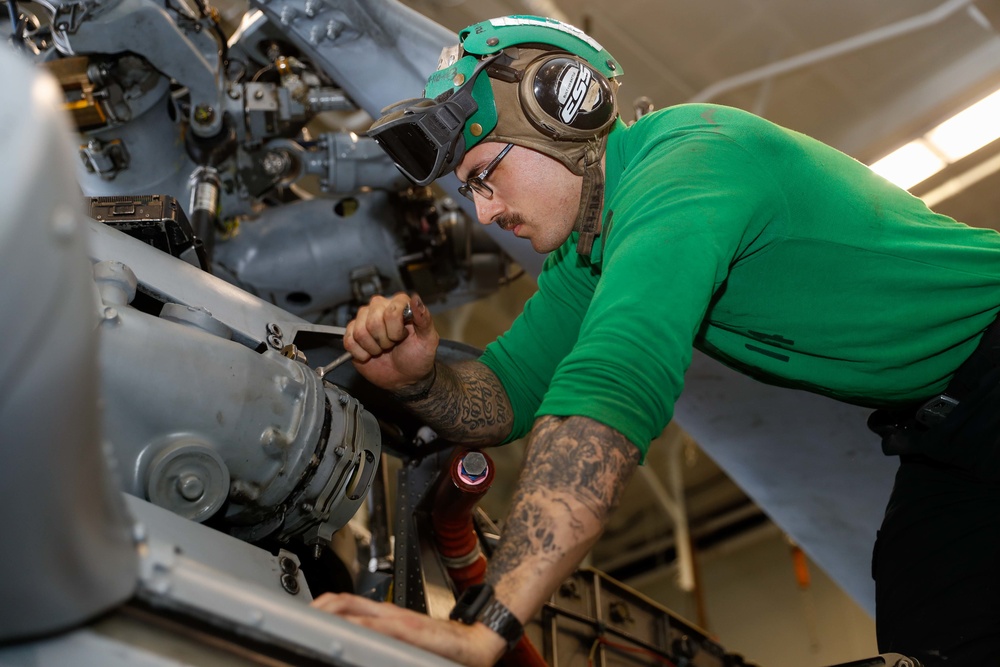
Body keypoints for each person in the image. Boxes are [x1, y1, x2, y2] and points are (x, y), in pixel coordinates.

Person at [311, 14, 1000, 667]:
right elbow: (510, 392)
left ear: (560, 109)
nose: (486, 211)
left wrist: (484, 628)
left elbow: (612, 388)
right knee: (929, 623)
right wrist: (420, 380)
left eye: (485, 176)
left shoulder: (687, 164)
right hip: (945, 428)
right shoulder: (590, 250)